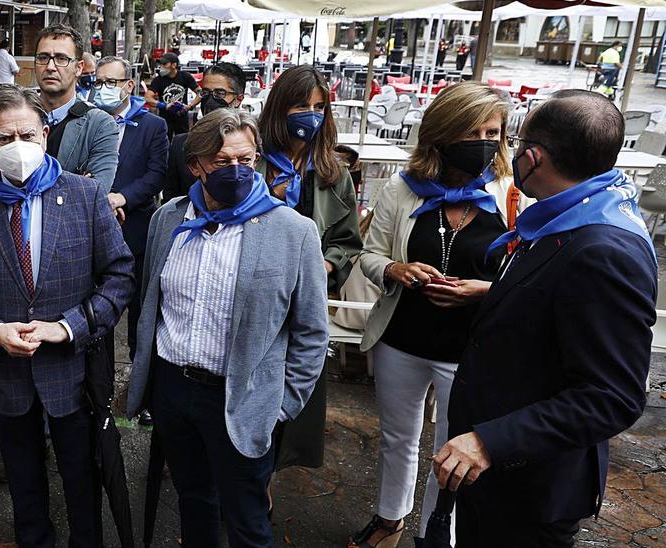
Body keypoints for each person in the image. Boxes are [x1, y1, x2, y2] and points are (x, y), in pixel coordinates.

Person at [436, 90, 656, 546]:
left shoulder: (604, 251)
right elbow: (557, 306)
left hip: (527, 486)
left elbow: (611, 396)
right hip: (498, 476)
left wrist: (489, 442)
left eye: (516, 145)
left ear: (533, 158)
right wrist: (496, 294)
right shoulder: (568, 214)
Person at [0, 84, 135, 548]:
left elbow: (120, 277)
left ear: (46, 135)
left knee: (82, 483)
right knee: (25, 487)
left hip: (73, 374)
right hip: (3, 376)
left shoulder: (85, 196)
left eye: (28, 135)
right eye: (5, 139)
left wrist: (69, 327)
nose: (18, 147)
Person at [125, 108, 329, 547]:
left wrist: (282, 405)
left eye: (246, 159)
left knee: (247, 519)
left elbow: (312, 331)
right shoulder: (169, 220)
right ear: (195, 165)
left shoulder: (293, 231)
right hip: (174, 391)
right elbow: (151, 304)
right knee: (194, 502)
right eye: (221, 161)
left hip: (242, 398)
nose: (236, 170)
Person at [350, 82, 519, 548]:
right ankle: (390, 521)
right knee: (397, 439)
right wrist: (394, 268)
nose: (485, 141)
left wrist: (486, 291)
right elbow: (370, 253)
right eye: (473, 131)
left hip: (469, 348)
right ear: (442, 136)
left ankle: (436, 534)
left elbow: (529, 268)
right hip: (401, 338)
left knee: (453, 452)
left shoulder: (510, 193)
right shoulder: (401, 188)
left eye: (494, 131)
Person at [255, 64, 362, 476]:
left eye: (319, 107)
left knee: (292, 395)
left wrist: (327, 262)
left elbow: (349, 242)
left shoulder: (334, 172)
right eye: (301, 104)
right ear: (280, 107)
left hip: (304, 304)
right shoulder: (253, 162)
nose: (310, 115)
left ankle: (268, 479)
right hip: (255, 294)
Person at [92, 54, 168, 373]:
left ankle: (140, 378)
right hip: (94, 231)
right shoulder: (88, 120)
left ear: (128, 85)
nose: (103, 89)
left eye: (111, 82)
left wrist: (121, 198)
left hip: (135, 229)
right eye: (98, 83)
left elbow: (156, 175)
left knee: (138, 310)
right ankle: (101, 381)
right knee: (98, 311)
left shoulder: (152, 124)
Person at [33, 23, 120, 192]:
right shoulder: (15, 115)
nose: (50, 67)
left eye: (61, 59)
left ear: (79, 68)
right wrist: (76, 182)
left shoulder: (100, 125)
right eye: (43, 58)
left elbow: (96, 193)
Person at [163, 62, 245, 201]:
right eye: (205, 92)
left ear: (238, 99)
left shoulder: (250, 143)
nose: (210, 99)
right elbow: (171, 197)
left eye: (220, 93)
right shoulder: (181, 144)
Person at [146, 52, 200, 137]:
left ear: (174, 65)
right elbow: (148, 98)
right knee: (164, 144)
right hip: (165, 118)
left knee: (182, 144)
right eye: (161, 64)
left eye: (165, 64)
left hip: (182, 116)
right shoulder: (158, 79)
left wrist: (190, 106)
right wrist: (163, 105)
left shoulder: (185, 76)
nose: (161, 66)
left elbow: (200, 93)